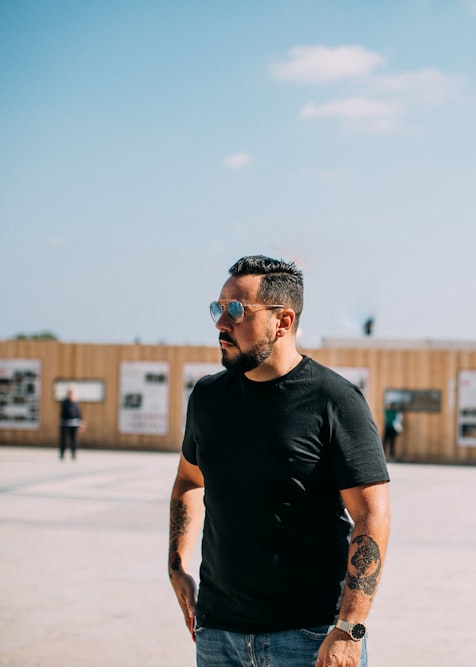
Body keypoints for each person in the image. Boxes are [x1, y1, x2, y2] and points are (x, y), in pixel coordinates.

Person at [168, 255, 390, 667]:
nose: (221, 323)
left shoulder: (335, 400)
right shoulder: (208, 398)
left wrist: (349, 629)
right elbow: (188, 480)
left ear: (282, 322)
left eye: (236, 310)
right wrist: (177, 564)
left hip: (309, 636)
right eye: (217, 309)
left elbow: (371, 516)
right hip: (218, 635)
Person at [59, 386, 82, 460]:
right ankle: (62, 454)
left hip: (74, 423)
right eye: (70, 392)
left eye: (72, 393)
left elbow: (79, 413)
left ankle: (73, 454)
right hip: (65, 423)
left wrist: (80, 423)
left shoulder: (76, 402)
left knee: (74, 440)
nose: (71, 394)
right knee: (64, 440)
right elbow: (62, 414)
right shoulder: (65, 402)